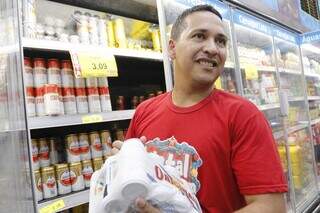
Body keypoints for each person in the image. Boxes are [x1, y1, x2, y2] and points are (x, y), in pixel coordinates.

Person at [112, 4, 288, 213]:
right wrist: (120, 167)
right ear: (172, 47)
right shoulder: (144, 111)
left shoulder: (243, 115)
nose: (213, 48)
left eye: (220, 41)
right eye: (199, 36)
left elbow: (272, 208)